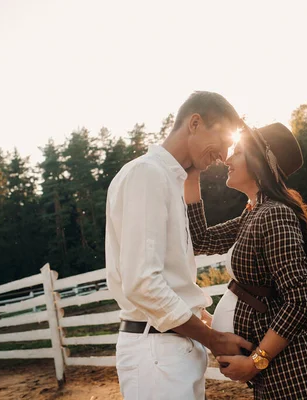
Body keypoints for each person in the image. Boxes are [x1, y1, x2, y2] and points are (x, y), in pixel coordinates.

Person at [105, 91, 253, 400]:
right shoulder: (147, 175)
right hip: (157, 352)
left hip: (169, 349)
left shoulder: (168, 181)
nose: (225, 156)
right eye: (224, 140)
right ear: (195, 123)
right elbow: (142, 283)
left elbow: (170, 277)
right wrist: (212, 339)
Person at [184, 122, 307, 399]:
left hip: (299, 374)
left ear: (259, 162)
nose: (227, 159)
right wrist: (193, 173)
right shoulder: (253, 212)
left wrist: (255, 361)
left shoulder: (273, 214)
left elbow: (300, 300)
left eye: (237, 152)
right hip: (282, 375)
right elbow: (200, 239)